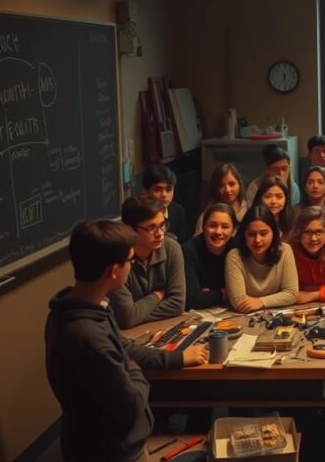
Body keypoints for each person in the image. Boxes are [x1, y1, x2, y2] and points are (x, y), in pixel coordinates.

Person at [45, 220, 208, 462]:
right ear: (113, 271)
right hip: (113, 452)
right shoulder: (88, 336)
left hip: (106, 442)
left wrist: (173, 358)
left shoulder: (83, 306)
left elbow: (125, 348)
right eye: (129, 261)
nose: (131, 267)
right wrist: (131, 365)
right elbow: (132, 402)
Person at [108, 197, 185, 329]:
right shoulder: (118, 259)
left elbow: (177, 304)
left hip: (163, 327)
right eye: (151, 228)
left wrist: (136, 314)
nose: (160, 234)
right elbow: (126, 318)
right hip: (127, 335)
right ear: (130, 229)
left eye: (162, 225)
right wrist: (157, 295)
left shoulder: (172, 248)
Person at [224, 206, 299, 312]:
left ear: (273, 232)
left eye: (264, 234)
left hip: (277, 313)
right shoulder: (234, 256)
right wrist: (277, 299)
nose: (258, 240)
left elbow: (292, 293)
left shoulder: (285, 250)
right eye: (251, 234)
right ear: (244, 234)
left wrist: (261, 302)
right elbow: (239, 302)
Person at [181, 203, 236, 310]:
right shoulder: (188, 251)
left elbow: (249, 290)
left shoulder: (237, 248)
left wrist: (209, 295)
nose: (218, 231)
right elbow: (191, 300)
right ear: (203, 227)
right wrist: (224, 292)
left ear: (233, 230)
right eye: (213, 225)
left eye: (225, 227)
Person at [193, 163, 247, 235]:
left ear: (239, 184)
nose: (227, 190)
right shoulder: (207, 216)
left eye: (232, 184)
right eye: (221, 186)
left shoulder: (249, 209)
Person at [141, 164, 189, 239]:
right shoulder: (137, 214)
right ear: (145, 192)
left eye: (169, 189)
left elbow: (183, 243)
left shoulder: (178, 211)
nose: (164, 195)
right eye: (157, 189)